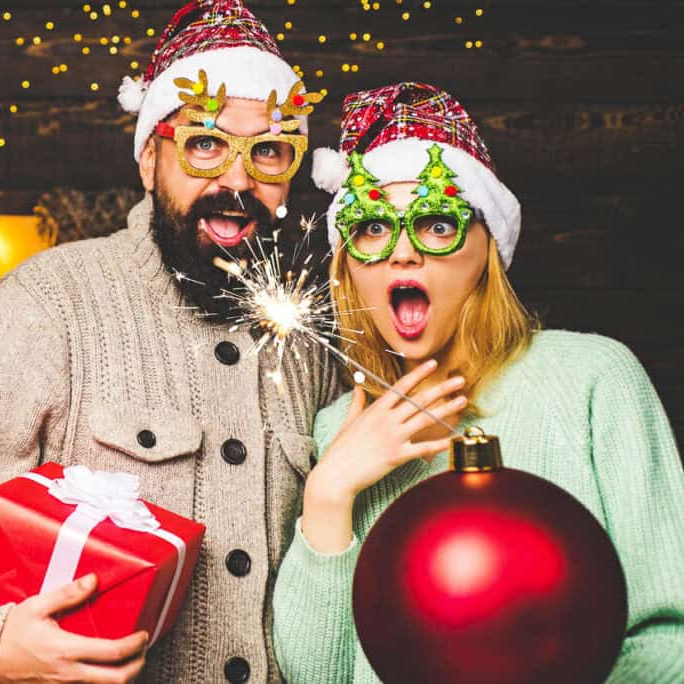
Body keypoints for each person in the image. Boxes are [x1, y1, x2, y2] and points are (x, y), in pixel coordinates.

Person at [0, 1, 340, 682]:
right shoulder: (46, 306)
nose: (238, 180)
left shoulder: (310, 337)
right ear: (151, 158)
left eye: (268, 151)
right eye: (205, 144)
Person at [272, 82, 684, 682]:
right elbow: (318, 675)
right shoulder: (339, 429)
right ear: (347, 266)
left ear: (487, 248)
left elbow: (672, 635)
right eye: (371, 229)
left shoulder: (593, 380)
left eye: (437, 224)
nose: (402, 256)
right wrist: (329, 492)